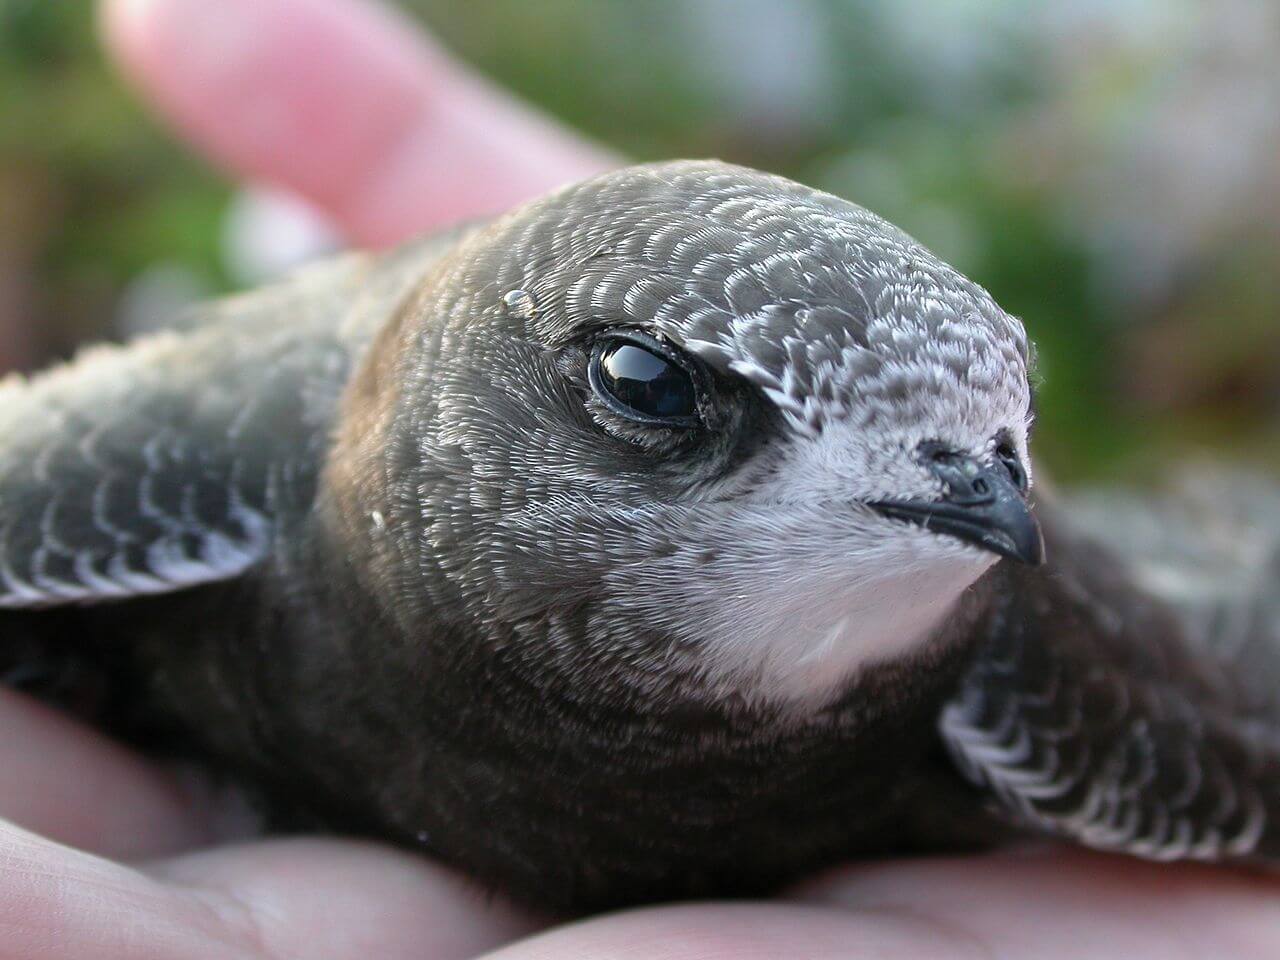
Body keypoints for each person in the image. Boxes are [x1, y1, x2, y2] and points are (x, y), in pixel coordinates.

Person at [2, 1, 1277, 956]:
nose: (979, 502)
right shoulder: (202, 454)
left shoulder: (1008, 621)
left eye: (999, 438)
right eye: (659, 399)